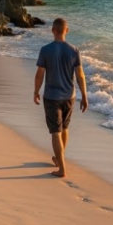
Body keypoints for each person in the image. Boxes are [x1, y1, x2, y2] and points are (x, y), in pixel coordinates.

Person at [33, 17, 88, 178]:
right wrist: (84, 96)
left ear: (53, 31)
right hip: (70, 96)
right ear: (67, 31)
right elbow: (80, 75)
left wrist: (36, 91)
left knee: (55, 131)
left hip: (52, 97)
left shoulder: (46, 50)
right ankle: (58, 159)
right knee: (64, 128)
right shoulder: (74, 50)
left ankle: (62, 169)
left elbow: (39, 74)